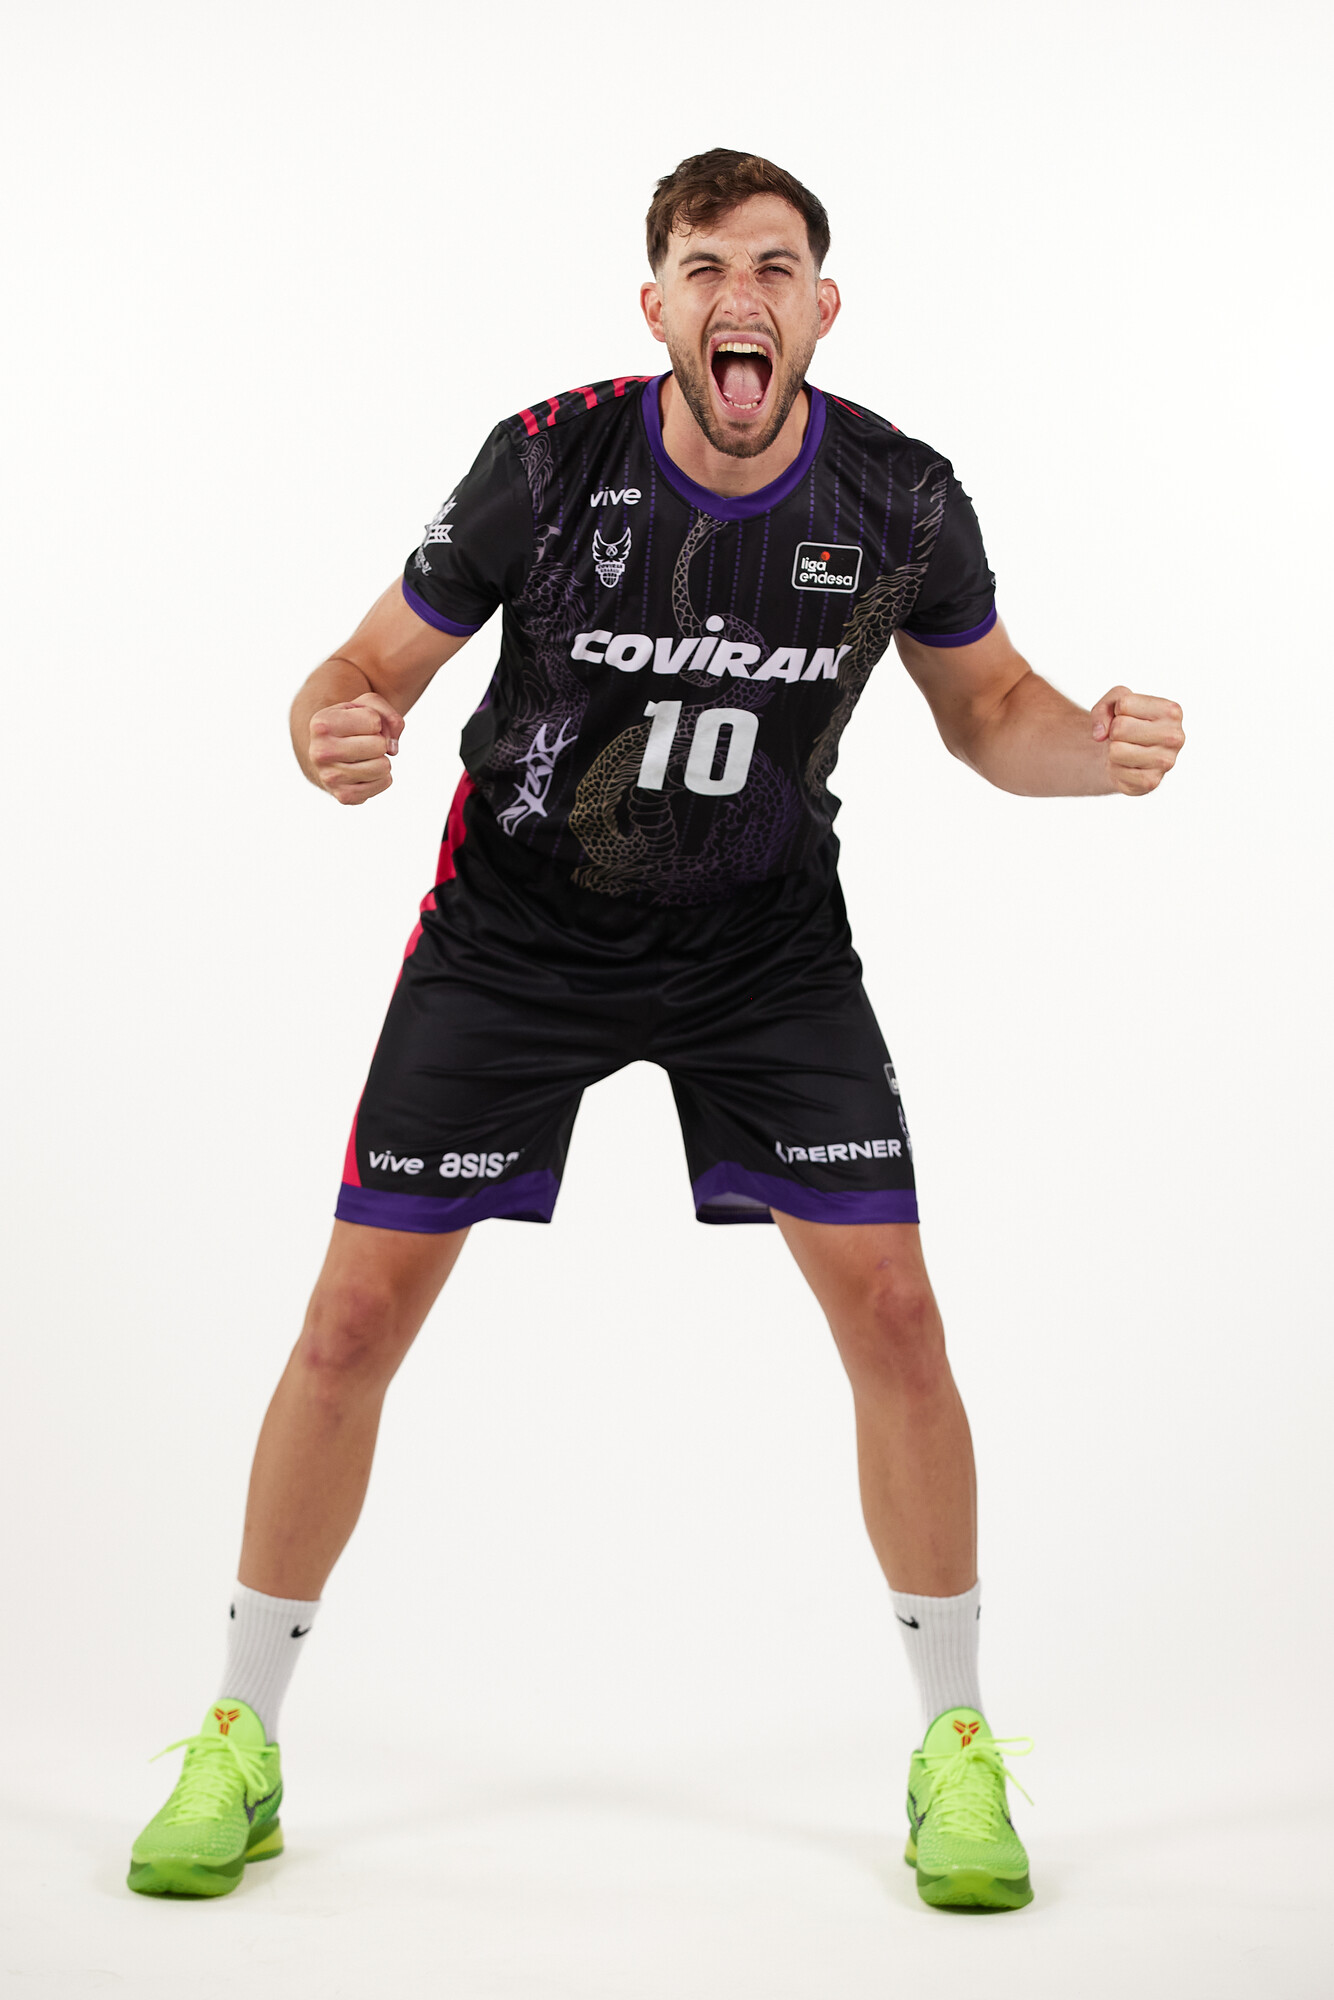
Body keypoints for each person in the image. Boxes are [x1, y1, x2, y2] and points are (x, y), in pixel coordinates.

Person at [127, 148, 1184, 1912]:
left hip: (762, 951)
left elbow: (991, 708)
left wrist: (1093, 746)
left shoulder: (900, 494)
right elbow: (364, 667)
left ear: (820, 306)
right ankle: (238, 1737)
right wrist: (328, 725)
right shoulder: (549, 462)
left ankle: (954, 1745)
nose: (736, 296)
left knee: (896, 1310)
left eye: (771, 266)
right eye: (702, 267)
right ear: (657, 308)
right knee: (350, 1320)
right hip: (516, 938)